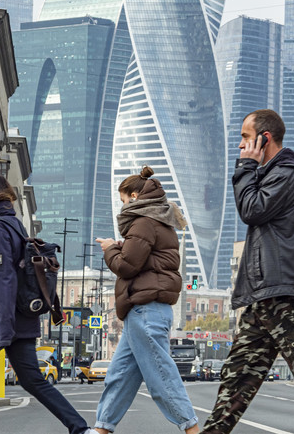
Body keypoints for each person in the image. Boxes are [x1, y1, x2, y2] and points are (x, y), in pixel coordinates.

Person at [201, 109, 294, 434]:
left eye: (245, 137)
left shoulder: (286, 174)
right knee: (239, 375)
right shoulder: (273, 173)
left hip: (278, 288)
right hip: (263, 289)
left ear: (263, 138)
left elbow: (250, 210)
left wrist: (246, 168)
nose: (241, 145)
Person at [0, 175, 94, 434]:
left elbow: (2, 280)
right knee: (33, 380)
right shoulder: (15, 225)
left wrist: (4, 328)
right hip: (21, 318)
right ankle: (81, 429)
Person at [94, 166, 199, 434]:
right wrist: (119, 247)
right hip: (142, 311)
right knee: (119, 378)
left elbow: (127, 266)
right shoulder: (158, 219)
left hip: (146, 310)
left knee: (162, 377)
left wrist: (110, 249)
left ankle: (192, 430)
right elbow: (144, 260)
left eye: (123, 200)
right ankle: (101, 429)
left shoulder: (143, 221)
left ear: (134, 196)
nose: (122, 207)